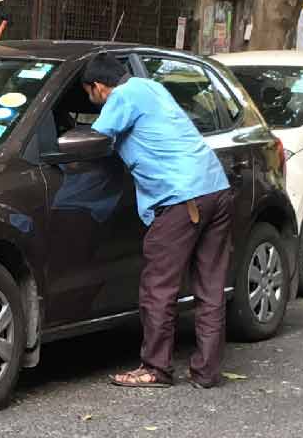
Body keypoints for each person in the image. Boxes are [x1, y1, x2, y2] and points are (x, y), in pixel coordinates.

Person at [81, 53, 234, 389]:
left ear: (98, 87)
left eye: (90, 94)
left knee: (158, 287)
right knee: (209, 287)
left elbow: (95, 138)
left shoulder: (120, 96)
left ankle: (156, 368)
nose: (93, 101)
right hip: (215, 187)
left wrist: (70, 135)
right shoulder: (150, 87)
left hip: (182, 197)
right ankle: (207, 371)